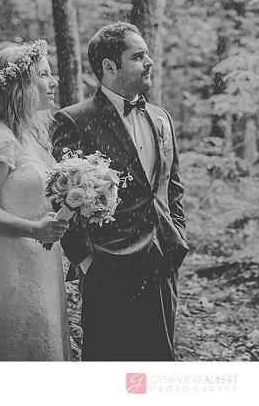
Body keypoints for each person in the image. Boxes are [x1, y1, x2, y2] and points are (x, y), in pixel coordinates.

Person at [52, 22, 188, 361]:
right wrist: (85, 260)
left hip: (161, 264)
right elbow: (61, 195)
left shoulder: (161, 119)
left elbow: (172, 188)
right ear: (109, 68)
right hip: (107, 270)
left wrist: (177, 237)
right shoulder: (75, 120)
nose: (149, 62)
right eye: (137, 56)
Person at [0, 40, 72, 361]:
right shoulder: (0, 137)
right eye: (44, 74)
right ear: (20, 84)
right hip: (14, 265)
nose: (54, 82)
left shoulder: (33, 136)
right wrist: (34, 229)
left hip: (45, 263)